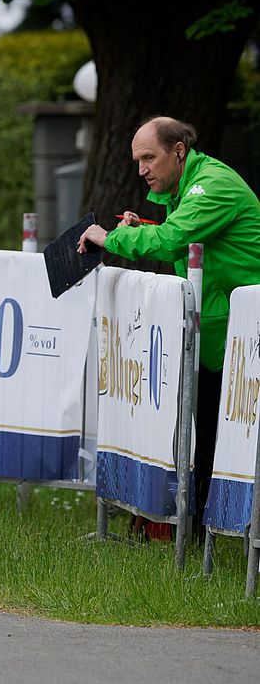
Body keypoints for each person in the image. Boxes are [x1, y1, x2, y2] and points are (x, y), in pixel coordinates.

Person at [78, 116, 260, 526]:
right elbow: (188, 238)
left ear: (179, 151)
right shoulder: (188, 188)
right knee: (205, 438)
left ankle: (205, 531)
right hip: (222, 334)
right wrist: (147, 226)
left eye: (149, 158)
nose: (141, 170)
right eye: (137, 159)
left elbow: (173, 241)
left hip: (244, 335)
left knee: (219, 440)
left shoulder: (210, 185)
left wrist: (110, 237)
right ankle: (190, 528)